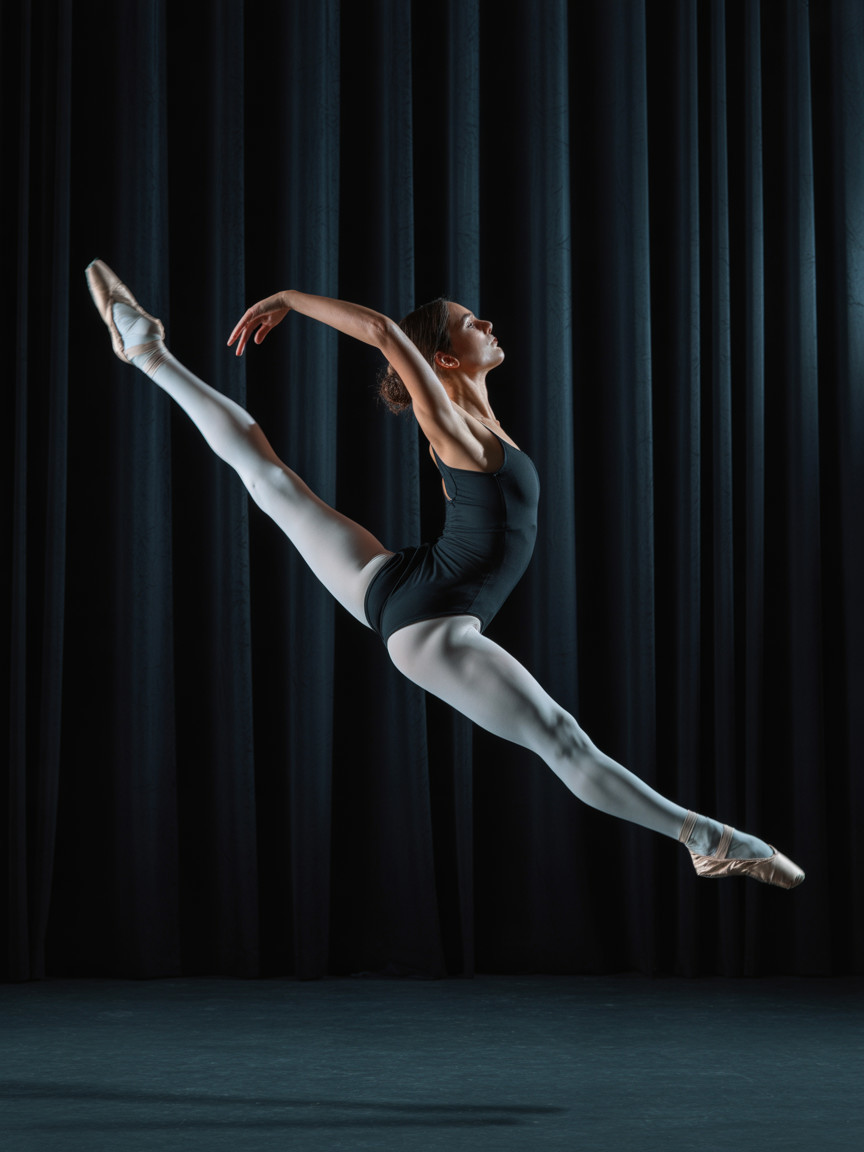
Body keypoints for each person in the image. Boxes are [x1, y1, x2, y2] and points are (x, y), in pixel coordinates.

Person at [85, 259, 804, 889]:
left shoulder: (476, 425)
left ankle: (149, 354)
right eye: (468, 323)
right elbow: (383, 335)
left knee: (271, 480)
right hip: (434, 624)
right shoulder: (452, 428)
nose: (486, 322)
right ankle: (706, 840)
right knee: (561, 738)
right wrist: (290, 298)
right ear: (446, 361)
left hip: (400, 579)